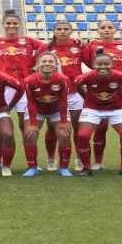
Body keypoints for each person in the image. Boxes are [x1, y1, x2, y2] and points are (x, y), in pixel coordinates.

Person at [0, 9, 44, 171]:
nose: (12, 26)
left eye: (15, 23)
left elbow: (49, 47)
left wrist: (79, 42)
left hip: (24, 88)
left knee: (25, 125)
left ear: (20, 25)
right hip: (2, 88)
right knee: (0, 125)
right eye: (8, 23)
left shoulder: (28, 41)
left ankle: (32, 164)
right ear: (3, 25)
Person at [81, 20, 122, 171]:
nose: (106, 30)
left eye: (110, 27)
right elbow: (89, 65)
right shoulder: (92, 46)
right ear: (98, 30)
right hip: (98, 92)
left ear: (115, 30)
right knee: (100, 128)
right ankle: (98, 162)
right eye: (103, 28)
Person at [74, 51, 122, 176]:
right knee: (83, 136)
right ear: (93, 65)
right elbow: (78, 85)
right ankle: (86, 168)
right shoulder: (87, 76)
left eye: (106, 64)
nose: (103, 67)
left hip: (117, 109)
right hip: (92, 109)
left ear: (112, 64)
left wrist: (120, 100)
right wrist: (87, 98)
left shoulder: (121, 76)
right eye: (99, 64)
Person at [22, 52, 73, 178]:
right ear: (38, 65)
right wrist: (33, 123)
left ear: (56, 65)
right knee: (30, 134)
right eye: (44, 61)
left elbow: (63, 101)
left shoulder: (63, 80)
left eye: (50, 62)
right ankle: (32, 167)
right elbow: (31, 103)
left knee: (64, 134)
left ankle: (63, 167)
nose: (47, 64)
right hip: (37, 110)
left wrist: (63, 121)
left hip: (56, 110)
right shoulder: (29, 80)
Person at [43, 19, 84, 171]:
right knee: (52, 127)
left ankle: (79, 158)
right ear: (54, 31)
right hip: (54, 93)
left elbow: (92, 62)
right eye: (59, 29)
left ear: (71, 31)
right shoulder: (47, 47)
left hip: (75, 92)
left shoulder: (78, 46)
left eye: (66, 29)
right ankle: (51, 159)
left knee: (77, 126)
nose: (62, 31)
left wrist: (88, 43)